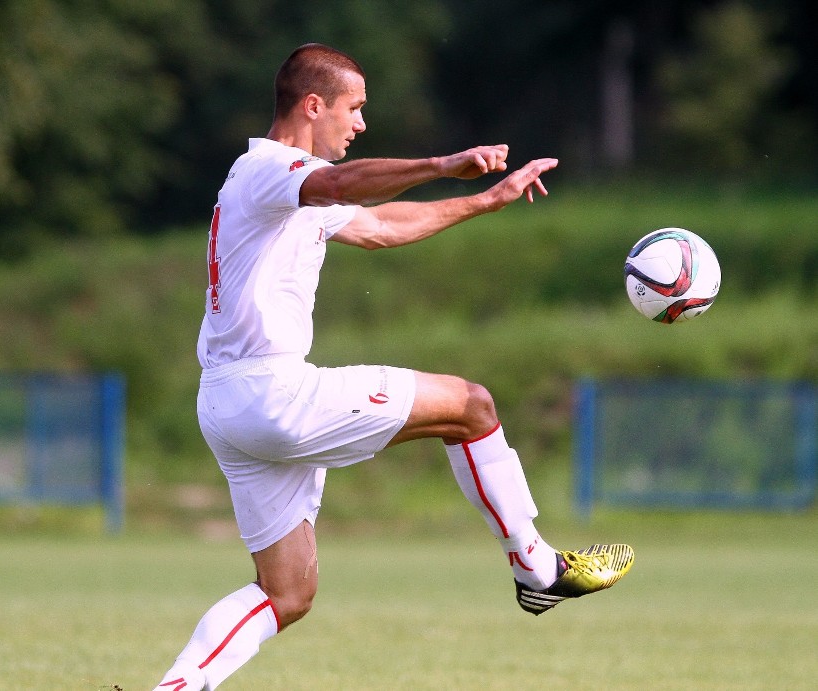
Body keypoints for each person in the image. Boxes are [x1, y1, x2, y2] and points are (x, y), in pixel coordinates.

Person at [154, 43, 634, 691]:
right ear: (313, 104)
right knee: (472, 406)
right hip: (274, 394)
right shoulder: (273, 169)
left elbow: (379, 225)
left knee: (286, 593)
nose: (360, 124)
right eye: (354, 109)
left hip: (227, 405)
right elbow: (343, 184)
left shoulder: (279, 184)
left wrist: (485, 201)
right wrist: (442, 163)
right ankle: (536, 569)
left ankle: (178, 686)